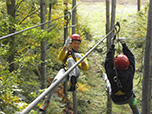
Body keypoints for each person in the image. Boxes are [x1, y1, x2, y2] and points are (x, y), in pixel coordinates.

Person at [39, 34, 89, 111]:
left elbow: (86, 68)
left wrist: (82, 60)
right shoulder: (67, 53)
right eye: (74, 43)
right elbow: (60, 58)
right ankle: (47, 101)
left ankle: (72, 80)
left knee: (70, 60)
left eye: (78, 43)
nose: (76, 45)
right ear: (71, 44)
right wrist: (65, 47)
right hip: (66, 71)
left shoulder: (81, 55)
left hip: (76, 72)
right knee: (55, 81)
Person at [104, 37, 140, 114]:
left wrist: (112, 46)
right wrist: (124, 45)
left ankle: (106, 80)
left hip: (115, 99)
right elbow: (132, 58)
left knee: (109, 84)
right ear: (127, 64)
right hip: (128, 97)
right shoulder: (130, 72)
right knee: (134, 104)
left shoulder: (111, 73)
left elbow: (108, 61)